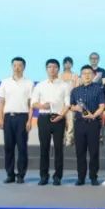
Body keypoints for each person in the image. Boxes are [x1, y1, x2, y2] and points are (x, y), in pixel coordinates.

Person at [31, 58, 71, 186]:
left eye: (55, 67)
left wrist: (61, 116)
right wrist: (42, 106)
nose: (52, 69)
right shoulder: (40, 85)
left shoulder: (65, 85)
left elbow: (67, 104)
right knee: (44, 148)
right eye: (49, 67)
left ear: (58, 69)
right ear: (46, 69)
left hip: (59, 118)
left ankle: (57, 177)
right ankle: (44, 176)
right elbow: (33, 103)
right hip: (44, 118)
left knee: (59, 149)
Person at [0, 56, 33, 184]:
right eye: (15, 65)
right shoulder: (5, 82)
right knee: (8, 147)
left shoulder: (29, 83)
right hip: (8, 118)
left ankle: (21, 175)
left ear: (24, 67)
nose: (17, 68)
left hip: (22, 118)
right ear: (12, 66)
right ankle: (10, 174)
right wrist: (1, 119)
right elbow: (1, 102)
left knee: (22, 147)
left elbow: (31, 104)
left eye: (20, 65)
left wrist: (29, 120)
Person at [69, 65, 105, 186]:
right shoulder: (75, 91)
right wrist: (77, 108)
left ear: (94, 75)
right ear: (81, 75)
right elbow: (71, 106)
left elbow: (102, 106)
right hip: (79, 124)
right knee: (80, 152)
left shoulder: (99, 89)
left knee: (94, 152)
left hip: (93, 124)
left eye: (89, 73)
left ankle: (93, 177)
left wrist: (93, 115)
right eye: (84, 73)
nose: (87, 75)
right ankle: (81, 177)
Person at [61, 56, 78, 147]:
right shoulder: (59, 75)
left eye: (69, 63)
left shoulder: (75, 75)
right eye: (66, 63)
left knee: (71, 121)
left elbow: (76, 89)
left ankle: (69, 139)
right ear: (63, 64)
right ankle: (62, 139)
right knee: (61, 121)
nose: (68, 64)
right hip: (61, 102)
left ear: (72, 64)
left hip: (71, 102)